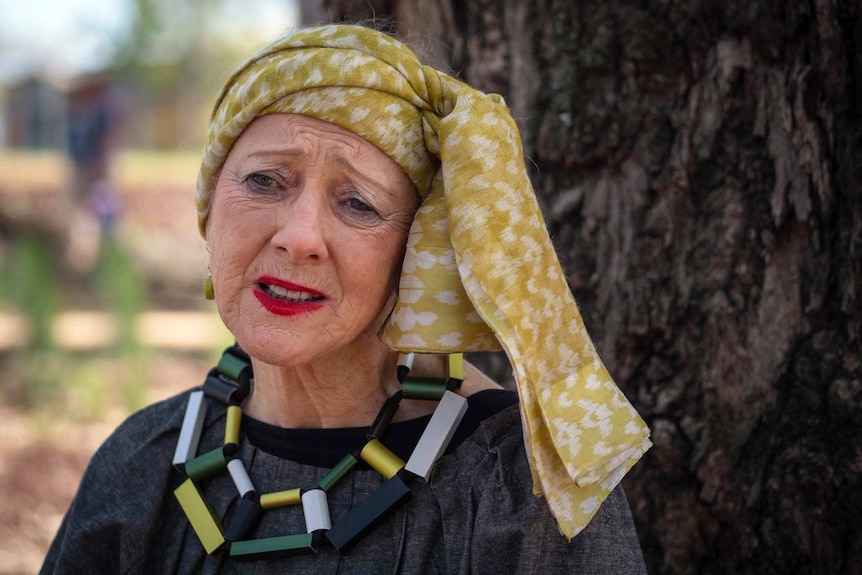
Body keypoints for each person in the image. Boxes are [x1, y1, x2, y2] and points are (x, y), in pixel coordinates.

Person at [41, 23, 652, 573]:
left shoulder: (518, 493)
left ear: (418, 254)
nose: (300, 237)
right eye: (264, 181)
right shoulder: (141, 461)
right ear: (209, 208)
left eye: (357, 203)